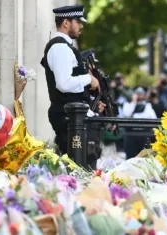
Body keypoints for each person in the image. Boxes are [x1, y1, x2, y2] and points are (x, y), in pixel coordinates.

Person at [40, 5, 105, 155]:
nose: (81, 25)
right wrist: (89, 79)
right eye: (78, 21)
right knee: (75, 165)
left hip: (73, 116)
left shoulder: (66, 47)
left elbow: (73, 88)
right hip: (68, 117)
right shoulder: (60, 48)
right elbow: (64, 84)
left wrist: (92, 104)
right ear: (66, 23)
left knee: (82, 163)